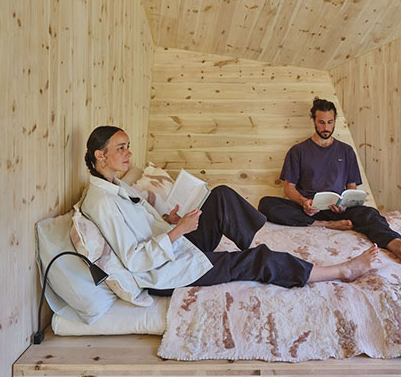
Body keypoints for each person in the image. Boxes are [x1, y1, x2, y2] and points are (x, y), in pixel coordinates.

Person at [81, 126, 381, 294]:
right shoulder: (102, 202)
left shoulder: (119, 187)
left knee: (221, 195)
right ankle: (341, 271)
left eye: (128, 146)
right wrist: (177, 231)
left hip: (175, 246)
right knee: (257, 260)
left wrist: (167, 221)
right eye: (121, 148)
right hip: (165, 271)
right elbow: (135, 259)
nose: (129, 153)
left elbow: (140, 227)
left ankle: (254, 245)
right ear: (100, 155)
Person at [259, 98, 401, 267]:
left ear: (335, 121)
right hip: (309, 210)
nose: (326, 127)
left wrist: (345, 205)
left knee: (371, 214)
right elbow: (289, 188)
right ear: (313, 121)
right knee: (266, 203)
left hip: (339, 210)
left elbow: (351, 187)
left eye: (330, 122)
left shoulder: (346, 151)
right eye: (321, 122)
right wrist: (303, 202)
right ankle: (327, 225)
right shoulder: (298, 151)